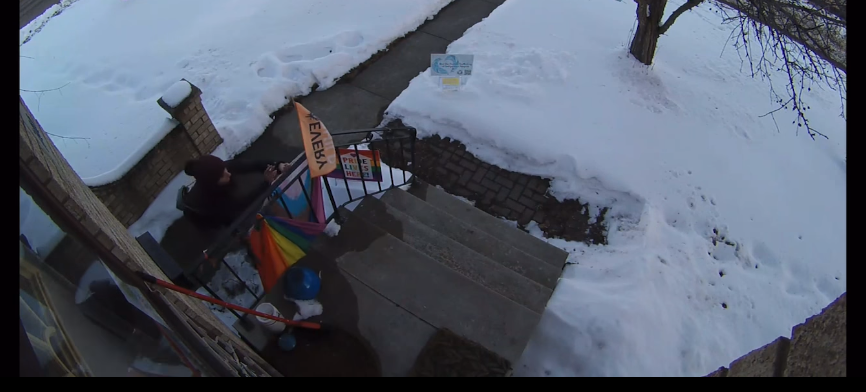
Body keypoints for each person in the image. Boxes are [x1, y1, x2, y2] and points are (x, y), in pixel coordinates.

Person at [182, 155, 290, 228]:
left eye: (225, 169)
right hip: (207, 219)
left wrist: (278, 166)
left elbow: (252, 165)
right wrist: (265, 183)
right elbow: (242, 204)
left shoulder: (220, 168)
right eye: (222, 176)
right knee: (234, 225)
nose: (228, 173)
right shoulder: (210, 199)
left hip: (221, 204)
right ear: (214, 182)